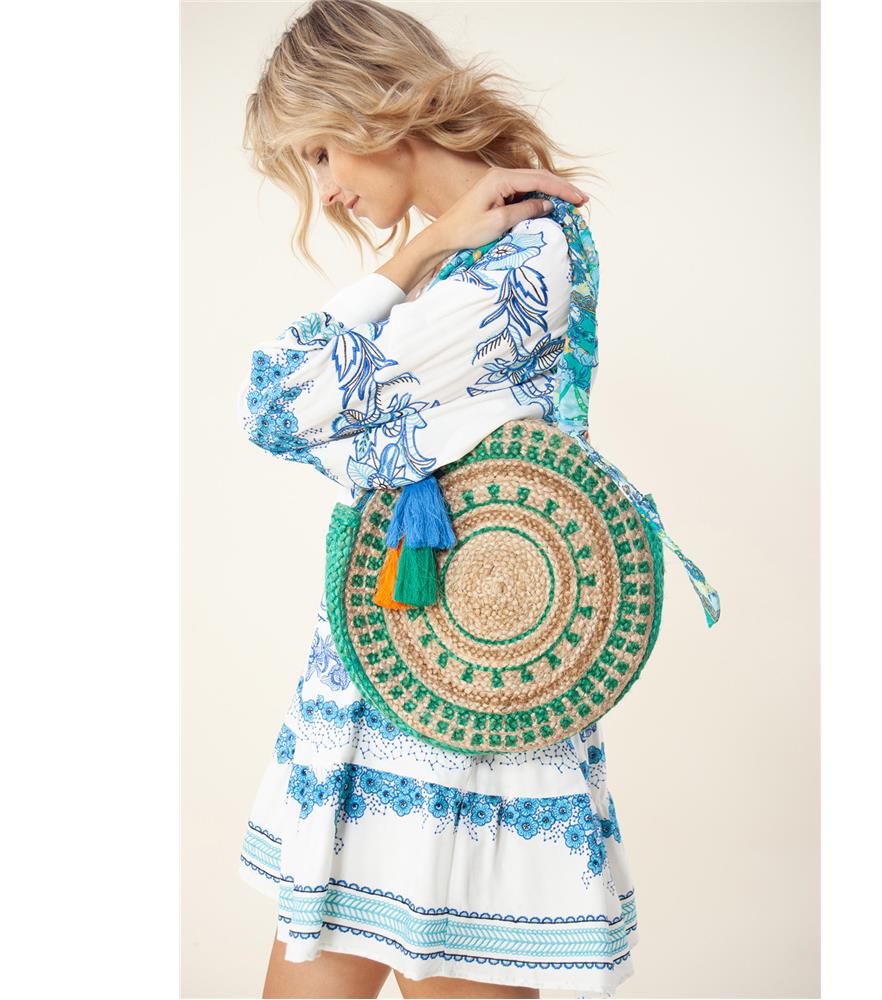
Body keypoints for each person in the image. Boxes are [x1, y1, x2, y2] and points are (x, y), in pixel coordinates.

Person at [236, 3, 638, 997]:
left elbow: (280, 402)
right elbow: (297, 411)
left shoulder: (527, 259)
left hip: (464, 707)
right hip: (379, 675)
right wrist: (420, 250)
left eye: (321, 153)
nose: (326, 191)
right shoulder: (457, 259)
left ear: (375, 108)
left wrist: (410, 267)